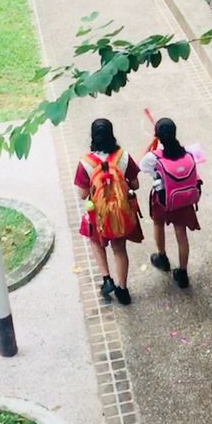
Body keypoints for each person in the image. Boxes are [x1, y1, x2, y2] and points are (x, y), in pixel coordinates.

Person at [75, 118, 142, 305]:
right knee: (119, 249)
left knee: (95, 242)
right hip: (120, 214)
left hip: (98, 215)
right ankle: (122, 289)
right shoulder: (123, 156)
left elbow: (82, 194)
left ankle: (106, 279)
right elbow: (135, 184)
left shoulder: (86, 162)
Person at [141, 117, 201, 288]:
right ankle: (182, 273)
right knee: (181, 235)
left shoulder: (153, 157)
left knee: (158, 225)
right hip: (183, 200)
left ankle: (162, 257)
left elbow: (142, 166)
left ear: (157, 136)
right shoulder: (188, 153)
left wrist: (150, 146)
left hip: (163, 199)